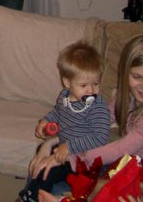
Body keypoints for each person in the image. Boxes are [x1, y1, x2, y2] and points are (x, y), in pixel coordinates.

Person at [32, 35, 143, 201]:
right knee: (54, 156)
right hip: (128, 159)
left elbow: (121, 148)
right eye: (137, 77)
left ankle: (63, 197)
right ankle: (31, 196)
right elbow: (97, 120)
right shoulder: (126, 95)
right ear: (125, 73)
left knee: (72, 173)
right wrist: (52, 143)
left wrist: (71, 156)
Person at [18, 42, 110, 202]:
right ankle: (33, 190)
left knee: (50, 171)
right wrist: (46, 120)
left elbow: (100, 137)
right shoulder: (64, 96)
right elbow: (57, 112)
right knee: (41, 151)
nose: (91, 90)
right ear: (67, 83)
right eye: (84, 85)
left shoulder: (98, 106)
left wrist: (69, 147)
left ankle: (32, 196)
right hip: (64, 148)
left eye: (96, 84)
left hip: (84, 158)